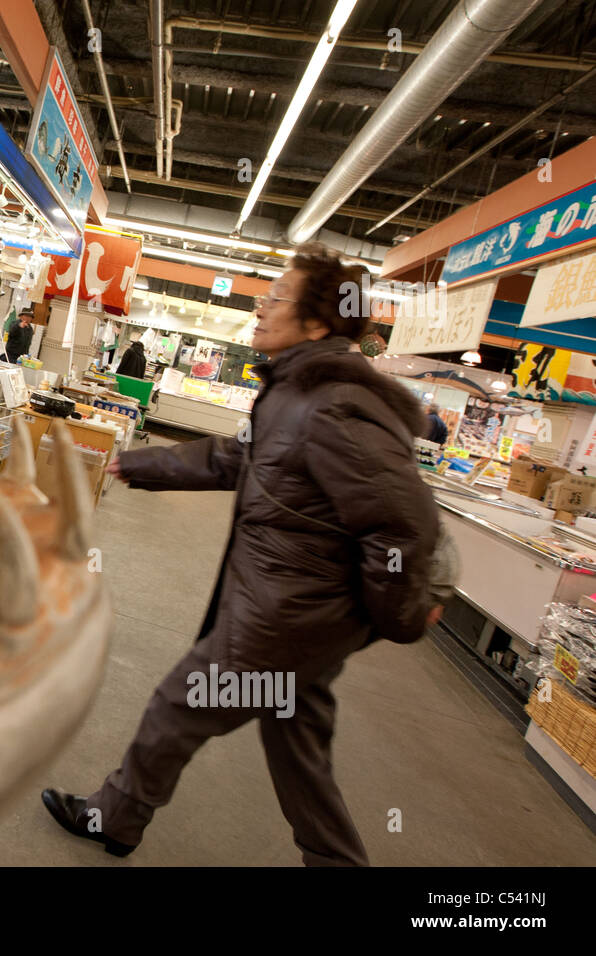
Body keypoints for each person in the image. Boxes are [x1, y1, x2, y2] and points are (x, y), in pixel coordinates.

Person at [41, 243, 442, 866]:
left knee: (178, 707)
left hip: (287, 619)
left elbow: (403, 522)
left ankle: (115, 818)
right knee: (299, 743)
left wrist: (396, 615)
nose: (261, 306)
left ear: (315, 324)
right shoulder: (298, 392)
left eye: (277, 299)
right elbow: (235, 457)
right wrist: (134, 460)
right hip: (302, 620)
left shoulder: (335, 405)